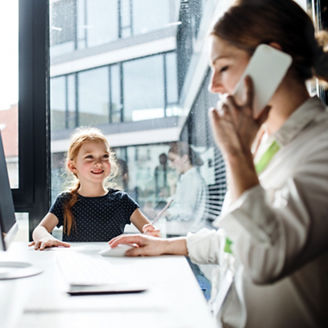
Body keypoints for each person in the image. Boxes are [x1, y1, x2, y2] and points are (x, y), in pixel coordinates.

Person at [108, 0, 328, 327]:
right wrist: (167, 245)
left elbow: (265, 257)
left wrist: (237, 154)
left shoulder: (319, 147)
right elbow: (237, 239)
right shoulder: (266, 143)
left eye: (223, 67)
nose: (213, 86)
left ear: (271, 59)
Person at [30, 127, 159, 250]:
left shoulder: (122, 200)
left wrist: (149, 234)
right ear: (73, 166)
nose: (98, 163)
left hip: (112, 266)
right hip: (76, 267)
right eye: (89, 157)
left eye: (105, 156)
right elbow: (40, 230)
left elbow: (149, 230)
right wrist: (45, 237)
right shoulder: (65, 200)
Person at [165, 141, 208, 235]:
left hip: (193, 235)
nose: (171, 165)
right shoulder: (185, 178)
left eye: (172, 160)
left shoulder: (191, 179)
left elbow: (187, 212)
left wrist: (167, 213)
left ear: (185, 158)